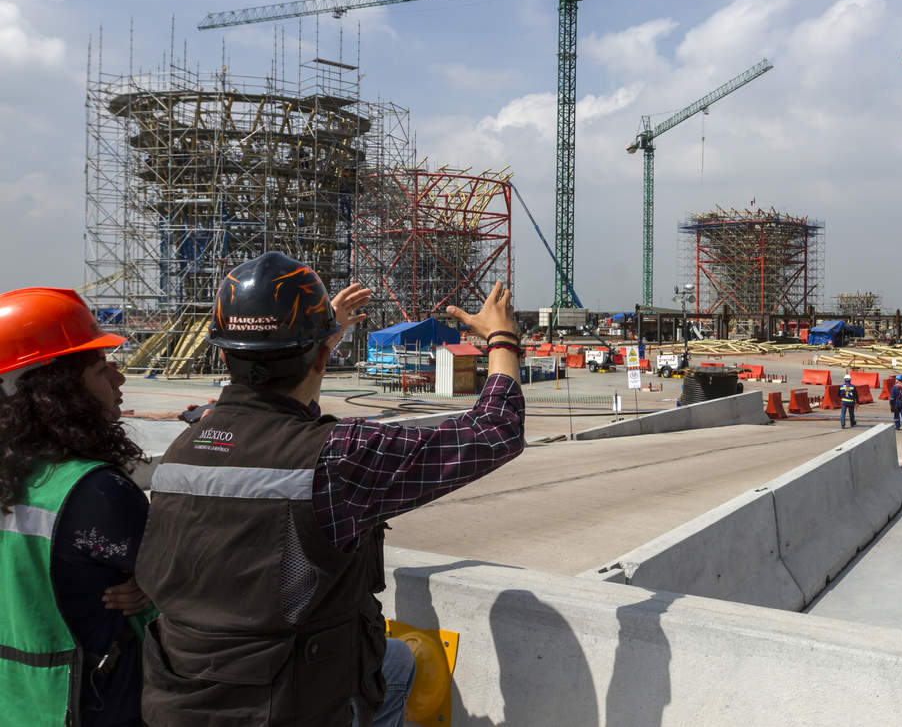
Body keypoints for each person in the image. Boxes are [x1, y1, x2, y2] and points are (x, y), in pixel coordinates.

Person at [135, 252, 526, 727]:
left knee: (397, 661)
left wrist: (321, 337)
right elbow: (494, 430)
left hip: (181, 701)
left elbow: (268, 415)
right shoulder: (338, 458)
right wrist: (502, 340)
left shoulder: (186, 446)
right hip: (290, 705)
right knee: (393, 666)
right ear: (322, 356)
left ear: (222, 353)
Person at [0, 288, 154, 727]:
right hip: (85, 708)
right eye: (100, 368)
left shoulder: (14, 478)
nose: (119, 379)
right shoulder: (92, 492)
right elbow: (188, 590)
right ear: (57, 389)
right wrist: (158, 584)